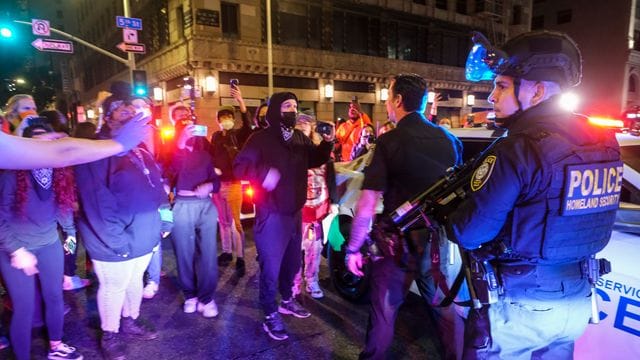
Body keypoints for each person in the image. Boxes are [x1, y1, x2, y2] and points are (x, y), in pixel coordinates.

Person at [447, 30, 622, 359]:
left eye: (501, 86)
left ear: (537, 91)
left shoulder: (519, 148)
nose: (491, 98)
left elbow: (470, 234)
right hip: (577, 300)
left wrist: (453, 217)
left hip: (521, 306)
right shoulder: (604, 141)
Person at [345, 73, 462, 359]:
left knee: (384, 311)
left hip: (396, 244)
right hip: (436, 242)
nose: (386, 102)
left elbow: (367, 201)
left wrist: (352, 248)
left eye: (388, 96)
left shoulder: (389, 142)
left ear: (398, 100)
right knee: (444, 309)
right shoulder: (450, 140)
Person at [74, 85, 167, 360]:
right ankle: (110, 333)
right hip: (113, 239)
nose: (130, 115)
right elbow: (96, 201)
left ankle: (131, 319)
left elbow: (157, 185)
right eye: (121, 111)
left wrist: (164, 219)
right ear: (108, 118)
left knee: (134, 281)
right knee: (114, 286)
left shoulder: (140, 150)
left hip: (143, 235)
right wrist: (115, 241)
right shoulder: (96, 150)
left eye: (132, 111)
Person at [233, 92, 334, 341]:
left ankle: (287, 300)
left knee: (291, 263)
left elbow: (314, 159)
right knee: (271, 266)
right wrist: (263, 175)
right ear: (276, 109)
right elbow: (239, 167)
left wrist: (328, 143)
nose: (292, 109)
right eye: (287, 105)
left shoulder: (299, 137)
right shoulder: (261, 139)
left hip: (295, 212)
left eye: (295, 106)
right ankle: (269, 313)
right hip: (271, 213)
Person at [0, 120, 83, 360]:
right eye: (36, 141)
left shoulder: (58, 175)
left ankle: (56, 347)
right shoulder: (11, 176)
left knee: (55, 296)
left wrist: (68, 268)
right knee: (24, 308)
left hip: (49, 245)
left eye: (47, 141)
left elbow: (68, 225)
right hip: (14, 248)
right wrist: (17, 250)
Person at [168, 121, 221, 318]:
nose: (190, 130)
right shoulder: (171, 151)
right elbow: (169, 171)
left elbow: (216, 180)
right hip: (182, 204)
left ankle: (206, 298)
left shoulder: (205, 153)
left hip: (205, 205)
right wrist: (180, 144)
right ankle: (189, 294)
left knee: (207, 253)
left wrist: (209, 186)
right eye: (184, 126)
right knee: (184, 252)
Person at [291, 113, 337, 299]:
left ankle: (312, 280)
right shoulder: (289, 153)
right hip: (296, 210)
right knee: (294, 249)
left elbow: (331, 178)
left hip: (318, 209)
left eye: (306, 123)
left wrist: (333, 202)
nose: (302, 126)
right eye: (298, 123)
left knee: (315, 248)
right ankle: (294, 282)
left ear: (312, 129)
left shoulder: (321, 152)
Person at [210, 86, 253, 275]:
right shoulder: (216, 136)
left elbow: (248, 125)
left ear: (232, 120)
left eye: (228, 117)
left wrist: (241, 102)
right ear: (218, 121)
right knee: (223, 221)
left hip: (234, 183)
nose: (225, 120)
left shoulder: (238, 134)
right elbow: (211, 155)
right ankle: (227, 252)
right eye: (222, 118)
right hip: (219, 184)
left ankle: (240, 257)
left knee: (236, 222)